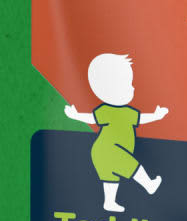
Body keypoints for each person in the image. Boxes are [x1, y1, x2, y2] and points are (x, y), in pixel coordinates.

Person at [64, 52, 168, 210]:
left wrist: (75, 115)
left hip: (100, 153)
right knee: (134, 167)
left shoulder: (112, 111)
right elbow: (93, 118)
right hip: (110, 150)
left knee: (110, 179)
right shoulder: (120, 112)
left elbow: (92, 118)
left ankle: (109, 203)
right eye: (129, 84)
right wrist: (156, 116)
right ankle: (149, 185)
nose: (133, 88)